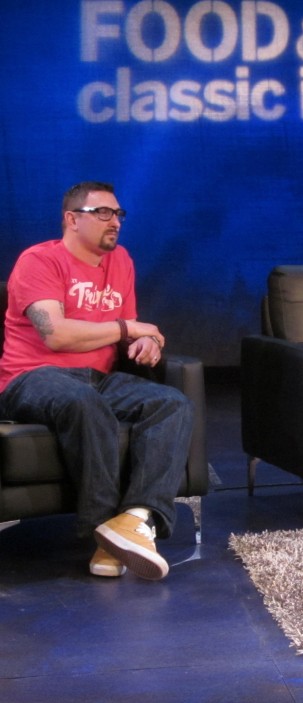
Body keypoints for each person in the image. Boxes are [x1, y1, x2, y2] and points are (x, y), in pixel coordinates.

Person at [0, 182, 194, 579]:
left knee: (171, 402)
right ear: (72, 219)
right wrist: (129, 328)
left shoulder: (120, 260)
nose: (115, 222)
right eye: (102, 213)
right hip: (31, 377)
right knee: (84, 403)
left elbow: (126, 331)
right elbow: (55, 334)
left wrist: (143, 342)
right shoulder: (38, 261)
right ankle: (102, 535)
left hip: (97, 376)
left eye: (118, 214)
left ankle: (134, 521)